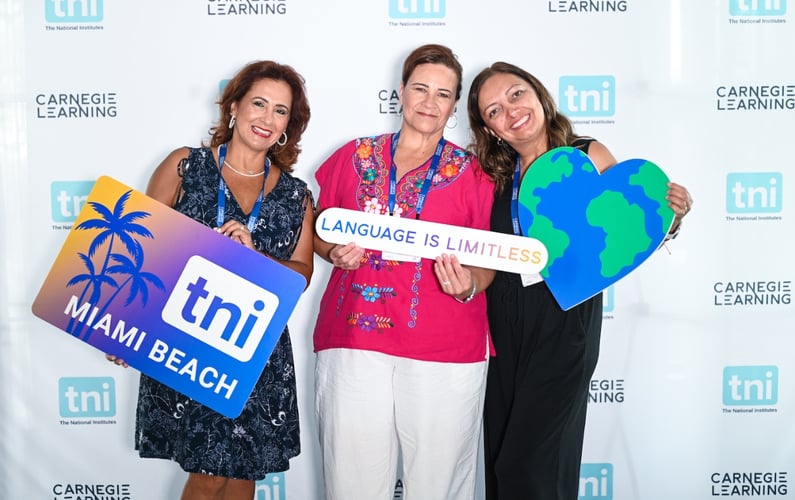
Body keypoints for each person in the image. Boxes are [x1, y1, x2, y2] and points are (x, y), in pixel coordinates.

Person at [466, 61, 693, 500]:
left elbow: (630, 226)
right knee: (501, 459)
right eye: (493, 111)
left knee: (530, 464)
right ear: (491, 129)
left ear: (537, 94)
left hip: (565, 321)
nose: (510, 111)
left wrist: (672, 215)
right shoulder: (493, 176)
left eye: (515, 94)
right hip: (502, 330)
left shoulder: (586, 154)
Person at [105, 60, 314, 500]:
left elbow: (302, 273)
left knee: (242, 476)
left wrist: (254, 259)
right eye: (258, 103)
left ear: (286, 128)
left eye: (280, 111)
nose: (266, 117)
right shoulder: (185, 166)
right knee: (207, 475)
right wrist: (123, 325)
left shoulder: (296, 195)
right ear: (234, 106)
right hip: (185, 340)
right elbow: (139, 245)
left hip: (252, 348)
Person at [312, 44, 496, 500]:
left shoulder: (476, 173)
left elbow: (488, 259)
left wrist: (469, 283)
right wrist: (331, 252)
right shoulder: (352, 156)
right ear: (400, 91)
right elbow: (316, 230)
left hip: (445, 347)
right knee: (350, 482)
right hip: (354, 340)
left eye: (443, 94)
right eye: (420, 88)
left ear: (455, 105)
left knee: (439, 485)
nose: (429, 103)